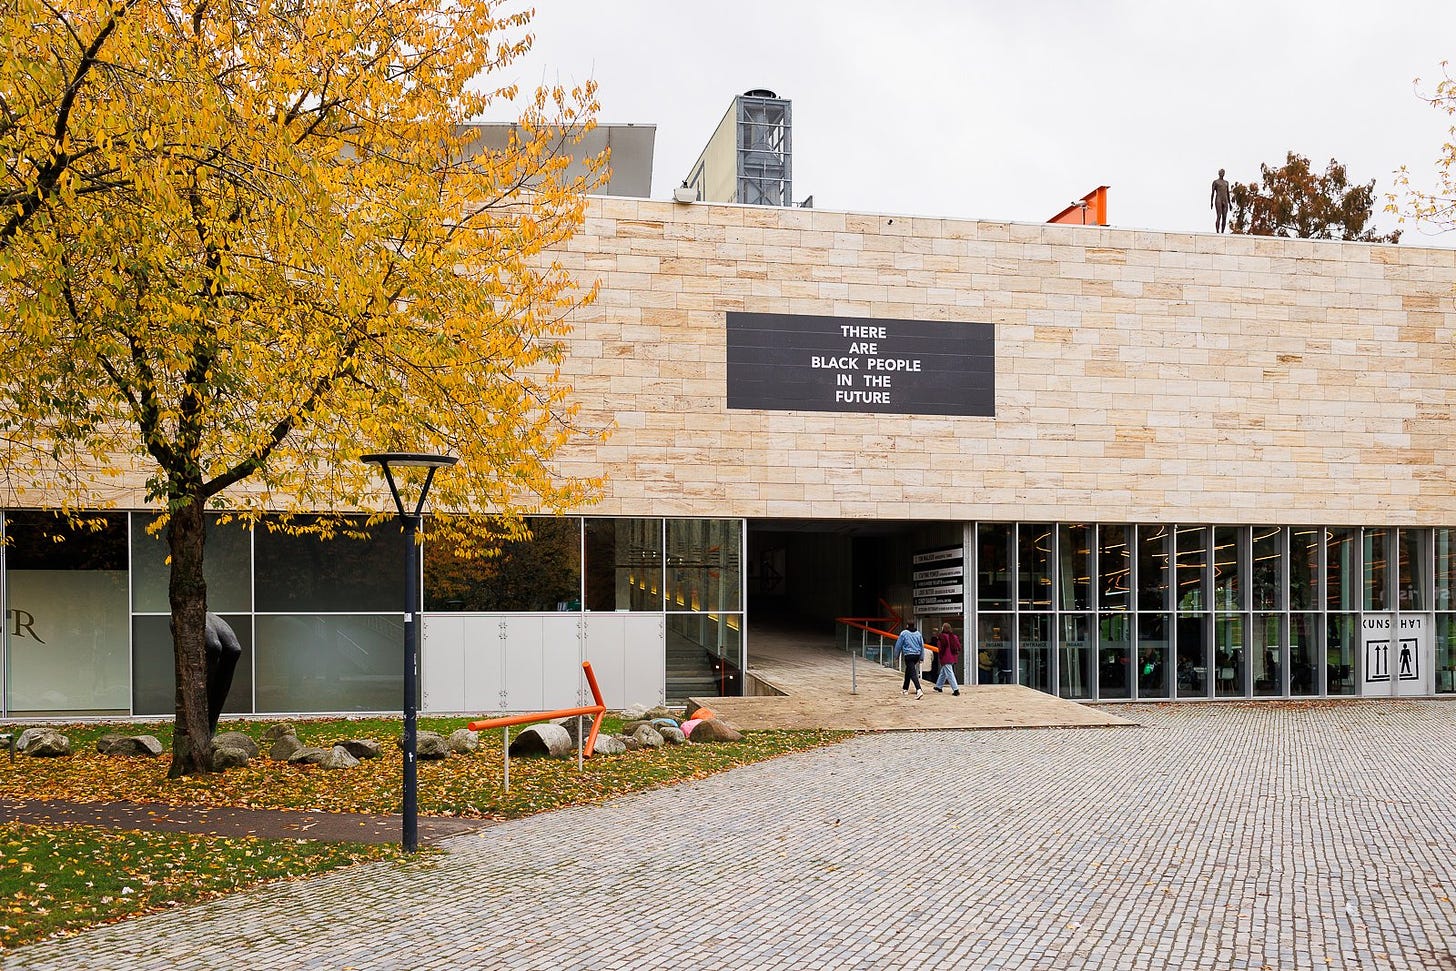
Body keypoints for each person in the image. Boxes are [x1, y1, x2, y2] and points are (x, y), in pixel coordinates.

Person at [894, 621, 925, 699]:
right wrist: (921, 657)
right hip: (916, 655)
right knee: (908, 671)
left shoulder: (904, 633)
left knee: (912, 673)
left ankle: (919, 689)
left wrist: (896, 656)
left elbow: (898, 645)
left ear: (907, 625)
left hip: (908, 655)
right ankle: (905, 689)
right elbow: (922, 646)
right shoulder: (918, 634)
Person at [933, 622, 961, 696]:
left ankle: (955, 689)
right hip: (953, 657)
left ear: (943, 628)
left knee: (949, 673)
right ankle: (938, 686)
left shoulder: (941, 637)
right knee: (944, 672)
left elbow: (940, 648)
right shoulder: (954, 637)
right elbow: (958, 646)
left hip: (945, 657)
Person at [1210, 168, 1232, 233]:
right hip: (1218, 199)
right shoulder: (1215, 182)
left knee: (1224, 217)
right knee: (1219, 215)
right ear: (1219, 173)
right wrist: (1211, 202)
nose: (1222, 173)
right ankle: (1217, 231)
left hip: (1225, 200)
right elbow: (1212, 193)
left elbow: (1228, 193)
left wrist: (1230, 203)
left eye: (1223, 172)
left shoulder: (1226, 183)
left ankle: (1222, 232)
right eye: (1221, 172)